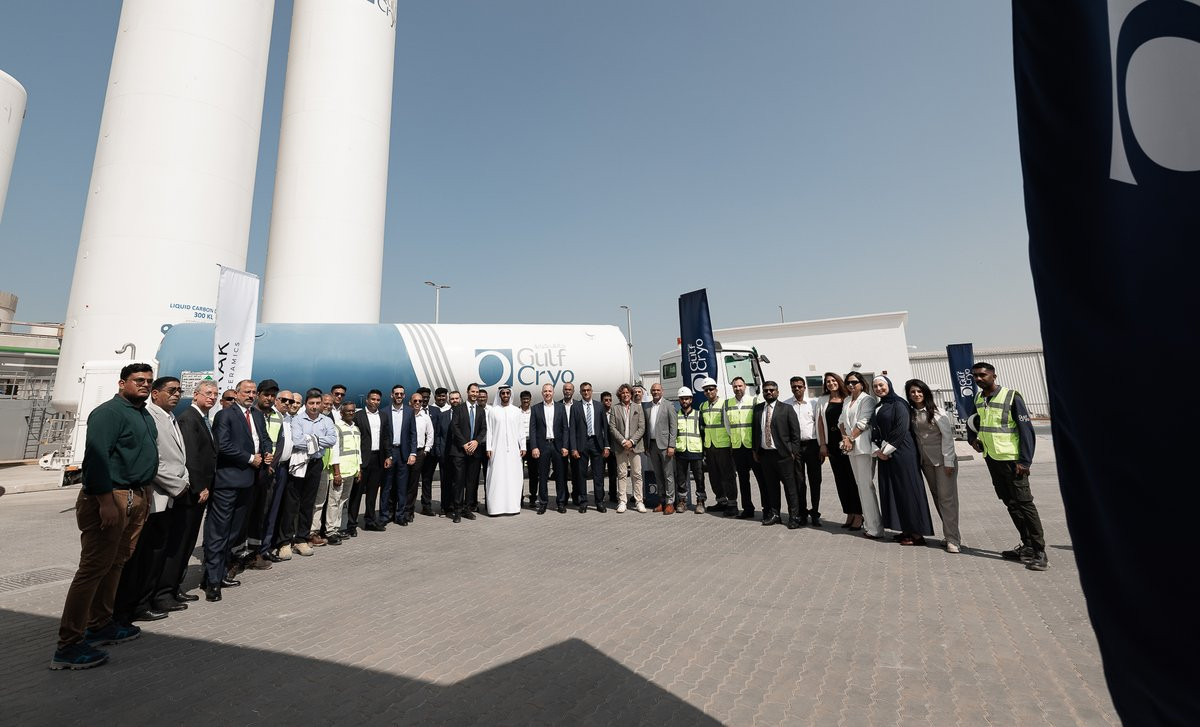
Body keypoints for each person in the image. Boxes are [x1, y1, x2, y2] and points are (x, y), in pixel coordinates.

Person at [51, 363, 157, 670]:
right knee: (93, 569)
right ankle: (68, 645)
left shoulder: (143, 414)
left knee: (116, 562)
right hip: (111, 497)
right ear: (122, 383)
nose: (145, 384)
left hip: (135, 496)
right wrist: (105, 501)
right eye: (139, 380)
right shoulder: (109, 413)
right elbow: (96, 458)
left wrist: (145, 494)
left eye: (149, 381)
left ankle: (100, 624)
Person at [113, 376, 190, 625]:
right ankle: (137, 605)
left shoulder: (171, 417)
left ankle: (151, 598)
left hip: (171, 495)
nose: (176, 395)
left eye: (179, 391)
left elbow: (180, 459)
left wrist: (184, 479)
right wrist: (178, 486)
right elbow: (153, 461)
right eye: (171, 390)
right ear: (155, 394)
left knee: (158, 552)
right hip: (157, 495)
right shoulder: (150, 417)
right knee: (146, 555)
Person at [969, 362, 1046, 571]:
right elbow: (973, 421)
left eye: (982, 375)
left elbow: (1026, 430)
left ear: (994, 376)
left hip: (1013, 461)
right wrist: (972, 439)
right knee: (1010, 503)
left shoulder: (1011, 397)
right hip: (992, 458)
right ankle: (1027, 546)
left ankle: (1040, 551)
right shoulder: (978, 398)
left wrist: (1025, 461)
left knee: (1025, 504)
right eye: (975, 376)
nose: (978, 379)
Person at [204, 379, 271, 602]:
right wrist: (250, 458)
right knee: (219, 532)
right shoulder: (226, 415)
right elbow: (222, 445)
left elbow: (264, 439)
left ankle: (221, 572)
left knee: (233, 533)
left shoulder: (257, 416)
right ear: (237, 393)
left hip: (249, 482)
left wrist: (268, 452)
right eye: (246, 392)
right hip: (228, 482)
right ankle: (212, 581)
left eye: (253, 392)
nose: (251, 395)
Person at [154, 379, 216, 607]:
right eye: (208, 393)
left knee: (187, 543)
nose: (212, 397)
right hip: (191, 493)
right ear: (196, 395)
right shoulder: (189, 419)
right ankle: (165, 592)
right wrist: (200, 487)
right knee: (179, 543)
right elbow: (192, 458)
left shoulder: (202, 418)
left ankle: (175, 587)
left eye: (215, 394)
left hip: (198, 492)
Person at [871, 375, 934, 546]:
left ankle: (917, 534)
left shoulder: (899, 404)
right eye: (875, 386)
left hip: (902, 452)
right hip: (886, 453)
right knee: (894, 492)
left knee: (908, 490)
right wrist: (877, 450)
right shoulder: (879, 406)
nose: (879, 389)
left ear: (889, 385)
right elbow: (874, 429)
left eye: (881, 385)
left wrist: (885, 451)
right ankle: (905, 529)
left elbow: (901, 429)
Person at [277, 389, 335, 564]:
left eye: (317, 403)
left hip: (315, 464)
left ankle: (301, 539)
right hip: (299, 463)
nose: (314, 407)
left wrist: (309, 439)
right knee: (291, 503)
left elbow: (332, 440)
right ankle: (285, 542)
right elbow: (296, 440)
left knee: (308, 503)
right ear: (306, 404)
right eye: (311, 403)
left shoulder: (326, 420)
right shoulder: (297, 420)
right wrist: (318, 440)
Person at [906, 379, 962, 553]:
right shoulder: (911, 413)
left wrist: (949, 461)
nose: (916, 394)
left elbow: (947, 437)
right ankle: (949, 533)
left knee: (947, 499)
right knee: (937, 497)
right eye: (912, 392)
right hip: (926, 462)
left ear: (925, 393)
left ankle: (953, 539)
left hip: (943, 461)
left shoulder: (937, 412)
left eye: (919, 391)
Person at [752, 381, 803, 527]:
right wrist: (755, 450)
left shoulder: (786, 409)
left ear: (777, 392)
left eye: (772, 390)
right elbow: (755, 431)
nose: (768, 392)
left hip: (784, 456)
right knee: (771, 487)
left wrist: (793, 451)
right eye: (766, 390)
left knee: (790, 488)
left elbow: (795, 433)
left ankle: (794, 516)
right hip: (765, 455)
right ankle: (775, 514)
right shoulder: (758, 409)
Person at [838, 371, 882, 539]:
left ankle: (875, 528)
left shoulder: (867, 400)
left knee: (866, 486)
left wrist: (850, 438)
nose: (850, 385)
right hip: (851, 448)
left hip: (863, 447)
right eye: (848, 382)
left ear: (862, 384)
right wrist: (845, 439)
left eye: (854, 382)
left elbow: (863, 423)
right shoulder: (847, 400)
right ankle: (869, 525)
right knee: (860, 486)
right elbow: (841, 422)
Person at [817, 372, 862, 529]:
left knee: (852, 480)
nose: (831, 383)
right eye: (828, 381)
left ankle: (858, 514)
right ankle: (849, 512)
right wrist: (822, 444)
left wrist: (850, 438)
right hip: (832, 445)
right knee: (841, 481)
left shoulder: (848, 398)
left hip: (849, 443)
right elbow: (820, 424)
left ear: (839, 382)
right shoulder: (823, 400)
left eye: (833, 380)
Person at [784, 376, 823, 527]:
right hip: (795, 447)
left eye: (799, 386)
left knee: (815, 480)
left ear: (804, 387)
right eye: (794, 387)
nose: (797, 389)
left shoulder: (814, 403)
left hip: (812, 446)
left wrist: (822, 446)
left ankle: (815, 512)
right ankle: (802, 512)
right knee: (799, 482)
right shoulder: (787, 405)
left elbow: (819, 426)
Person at [352, 389, 391, 531]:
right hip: (362, 459)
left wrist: (388, 456)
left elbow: (386, 437)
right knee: (356, 494)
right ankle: (351, 524)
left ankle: (370, 521)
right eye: (373, 399)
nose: (375, 402)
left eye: (378, 400)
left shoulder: (383, 416)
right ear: (367, 400)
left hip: (378, 458)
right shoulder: (358, 416)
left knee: (372, 492)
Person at [698, 377, 736, 516]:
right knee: (714, 476)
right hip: (710, 446)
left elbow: (729, 425)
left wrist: (732, 444)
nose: (709, 392)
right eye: (706, 390)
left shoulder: (724, 404)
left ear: (716, 390)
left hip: (724, 445)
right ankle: (721, 501)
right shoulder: (702, 406)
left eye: (711, 389)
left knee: (728, 476)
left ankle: (732, 504)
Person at [570, 382, 610, 513]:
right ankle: (583, 502)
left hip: (596, 443)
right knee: (581, 475)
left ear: (591, 391)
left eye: (588, 390)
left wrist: (606, 446)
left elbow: (605, 428)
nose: (586, 392)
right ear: (580, 392)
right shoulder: (575, 407)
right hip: (581, 444)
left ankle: (599, 502)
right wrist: (574, 448)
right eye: (583, 390)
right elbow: (572, 429)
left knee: (598, 474)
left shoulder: (599, 406)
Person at [380, 384, 417, 525]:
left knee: (402, 487)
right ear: (392, 395)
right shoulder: (384, 412)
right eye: (396, 394)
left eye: (401, 394)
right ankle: (384, 516)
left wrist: (413, 453)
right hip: (389, 453)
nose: (399, 396)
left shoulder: (409, 412)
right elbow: (383, 436)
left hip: (403, 453)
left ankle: (400, 515)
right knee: (386, 487)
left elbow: (413, 433)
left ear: (404, 395)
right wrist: (386, 454)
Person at [529, 383, 568, 514]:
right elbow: (533, 430)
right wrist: (534, 447)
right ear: (542, 393)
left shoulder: (561, 407)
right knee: (543, 476)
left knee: (560, 476)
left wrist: (565, 446)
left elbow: (565, 428)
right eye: (545, 391)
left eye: (549, 391)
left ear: (553, 393)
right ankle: (543, 503)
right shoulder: (536, 408)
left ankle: (561, 503)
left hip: (558, 446)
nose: (547, 393)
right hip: (543, 446)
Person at [485, 386, 525, 515]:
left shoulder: (516, 411)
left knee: (513, 476)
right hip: (496, 450)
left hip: (513, 450)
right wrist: (488, 447)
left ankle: (513, 507)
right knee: (496, 477)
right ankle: (495, 508)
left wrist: (523, 446)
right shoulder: (493, 411)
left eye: (508, 393)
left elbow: (521, 430)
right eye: (503, 393)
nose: (506, 395)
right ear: (499, 395)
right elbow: (489, 431)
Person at [448, 388, 486, 522]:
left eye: (476, 392)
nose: (475, 394)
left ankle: (467, 509)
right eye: (472, 392)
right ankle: (457, 511)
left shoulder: (481, 410)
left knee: (471, 483)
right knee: (458, 482)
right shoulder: (459, 409)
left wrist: (476, 442)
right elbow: (455, 427)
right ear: (468, 392)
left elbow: (484, 429)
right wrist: (464, 444)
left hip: (475, 452)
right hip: (460, 451)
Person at [724, 376, 759, 519]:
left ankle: (768, 509)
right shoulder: (728, 403)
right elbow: (727, 425)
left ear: (745, 386)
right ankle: (747, 509)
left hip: (752, 447)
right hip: (738, 447)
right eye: (735, 386)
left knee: (761, 479)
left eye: (740, 386)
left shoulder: (754, 401)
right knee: (743, 480)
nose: (737, 388)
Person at [326, 401, 361, 540]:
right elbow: (334, 451)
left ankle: (339, 527)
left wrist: (358, 469)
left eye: (353, 411)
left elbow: (357, 451)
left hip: (351, 471)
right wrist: (337, 472)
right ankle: (330, 531)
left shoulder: (355, 428)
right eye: (348, 411)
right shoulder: (336, 428)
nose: (351, 413)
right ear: (341, 413)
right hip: (340, 472)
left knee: (343, 501)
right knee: (334, 501)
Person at [609, 383, 646, 513]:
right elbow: (612, 427)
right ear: (620, 394)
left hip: (635, 446)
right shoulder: (615, 408)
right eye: (623, 393)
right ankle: (622, 501)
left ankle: (639, 501)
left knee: (637, 474)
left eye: (627, 393)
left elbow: (642, 427)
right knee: (622, 474)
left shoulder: (638, 408)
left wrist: (632, 441)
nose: (625, 395)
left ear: (631, 394)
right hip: (621, 447)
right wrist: (623, 441)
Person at [642, 383, 676, 514]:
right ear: (651, 392)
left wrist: (671, 445)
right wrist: (646, 446)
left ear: (662, 391)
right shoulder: (647, 406)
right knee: (658, 475)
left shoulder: (669, 405)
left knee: (668, 475)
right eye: (653, 390)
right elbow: (646, 427)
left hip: (665, 446)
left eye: (658, 390)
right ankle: (661, 501)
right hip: (652, 445)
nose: (655, 392)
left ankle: (670, 502)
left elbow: (673, 427)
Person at [401, 391, 434, 522]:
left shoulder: (425, 417)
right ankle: (398, 509)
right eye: (415, 401)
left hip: (419, 453)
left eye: (420, 401)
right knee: (402, 481)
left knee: (413, 483)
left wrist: (426, 450)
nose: (418, 403)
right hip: (404, 452)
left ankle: (409, 511)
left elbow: (430, 434)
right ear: (410, 402)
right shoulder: (404, 415)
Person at [673, 387, 706, 513]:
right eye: (682, 399)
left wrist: (704, 451)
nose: (684, 401)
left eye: (686, 398)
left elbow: (703, 433)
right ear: (679, 400)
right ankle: (682, 501)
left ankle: (700, 501)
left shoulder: (698, 414)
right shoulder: (676, 416)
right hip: (681, 451)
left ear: (691, 400)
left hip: (696, 451)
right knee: (681, 479)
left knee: (699, 478)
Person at [416, 387, 443, 516]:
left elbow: (438, 431)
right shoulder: (412, 411)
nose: (425, 399)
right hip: (416, 451)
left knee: (427, 480)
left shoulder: (436, 411)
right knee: (413, 480)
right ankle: (407, 508)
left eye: (427, 397)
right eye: (423, 397)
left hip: (431, 453)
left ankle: (426, 506)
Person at [518, 390, 536, 508]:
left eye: (527, 399)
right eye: (523, 399)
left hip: (531, 444)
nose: (525, 401)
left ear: (530, 400)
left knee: (533, 473)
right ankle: (519, 497)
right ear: (520, 400)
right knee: (519, 473)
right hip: (519, 445)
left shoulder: (534, 412)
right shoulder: (516, 412)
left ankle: (533, 497)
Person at [601, 391, 618, 503]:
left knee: (613, 474)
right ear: (602, 401)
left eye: (610, 400)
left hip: (613, 448)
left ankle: (613, 495)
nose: (608, 402)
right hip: (601, 448)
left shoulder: (614, 412)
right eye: (606, 400)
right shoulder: (598, 413)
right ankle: (600, 495)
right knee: (600, 473)